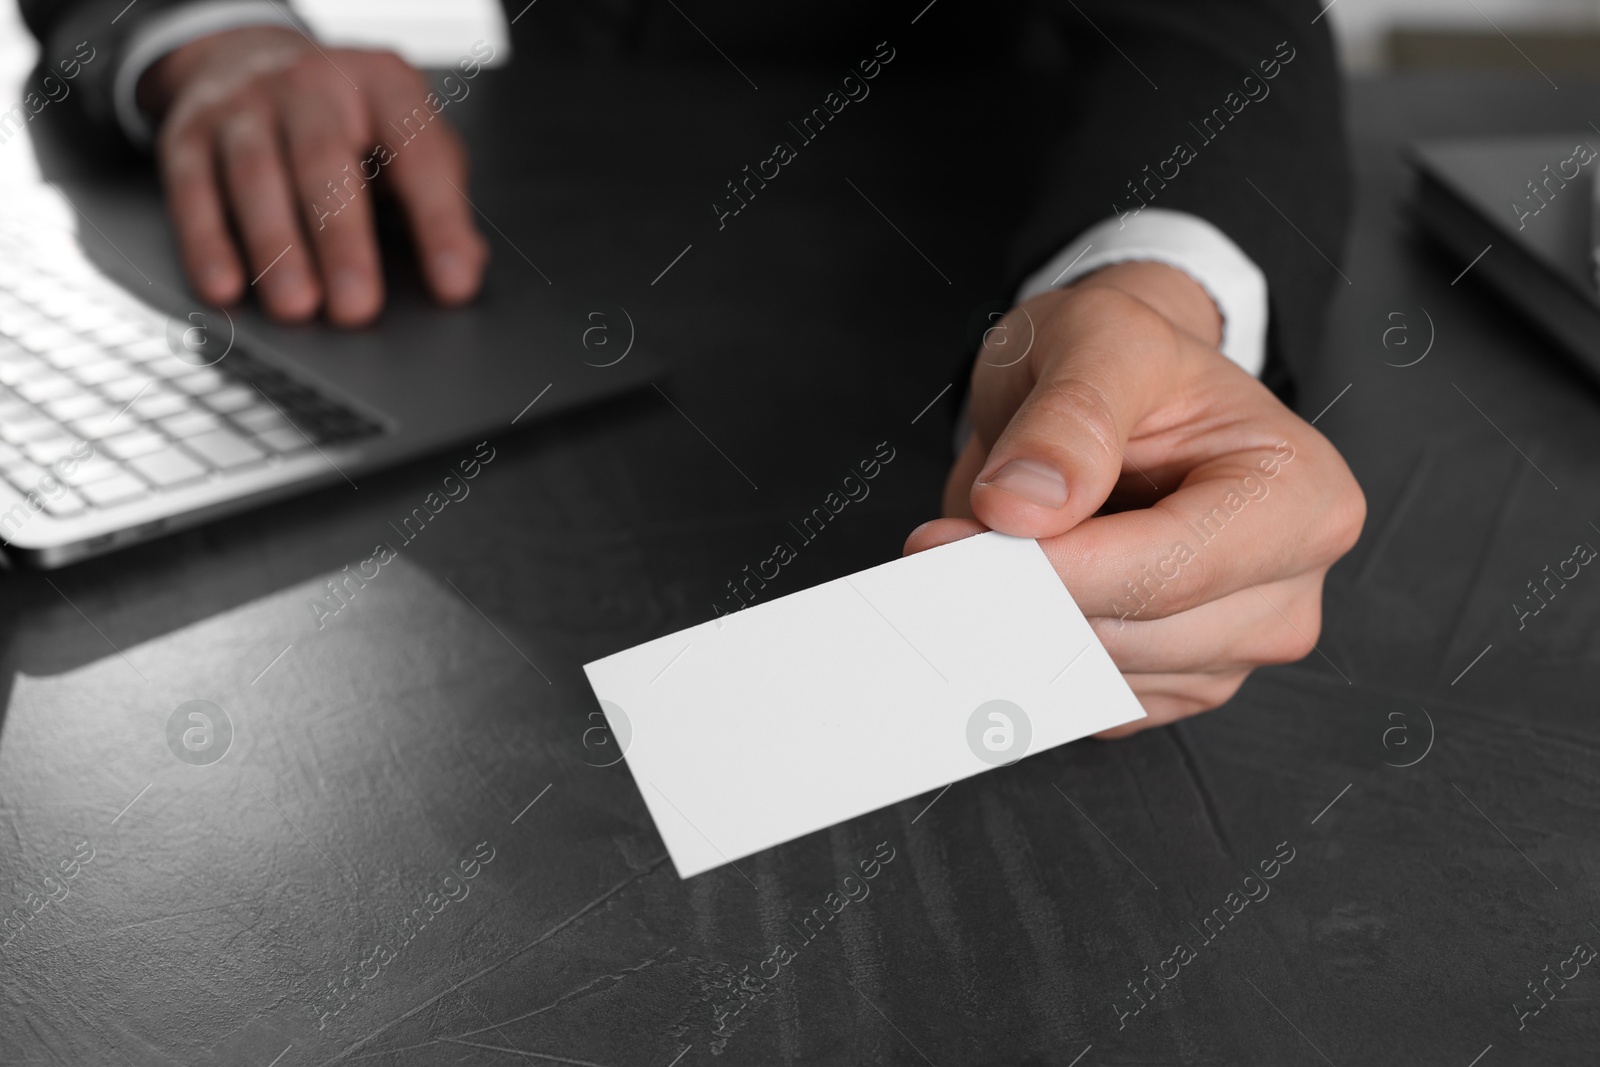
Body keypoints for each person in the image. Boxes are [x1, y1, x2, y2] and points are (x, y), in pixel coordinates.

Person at [20, 0, 1366, 735]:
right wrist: (204, 26)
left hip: (980, 239)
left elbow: (1226, 27)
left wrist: (1156, 294)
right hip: (536, 258)